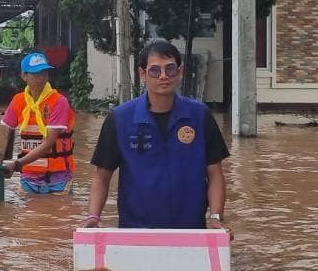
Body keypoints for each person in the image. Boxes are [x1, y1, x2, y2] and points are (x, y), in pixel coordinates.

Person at [85, 39, 230, 230]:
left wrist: (216, 217)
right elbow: (102, 176)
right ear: (142, 73)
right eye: (155, 70)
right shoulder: (120, 119)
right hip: (136, 231)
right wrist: (93, 216)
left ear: (180, 72)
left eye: (170, 69)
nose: (163, 76)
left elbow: (215, 173)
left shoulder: (199, 116)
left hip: (192, 231)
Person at [1, 51, 75, 193]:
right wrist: (1, 161)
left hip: (58, 176)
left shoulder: (59, 102)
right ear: (24, 76)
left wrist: (16, 164)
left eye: (44, 73)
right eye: (36, 74)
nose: (42, 78)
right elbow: (3, 134)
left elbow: (49, 143)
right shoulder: (18, 101)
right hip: (29, 175)